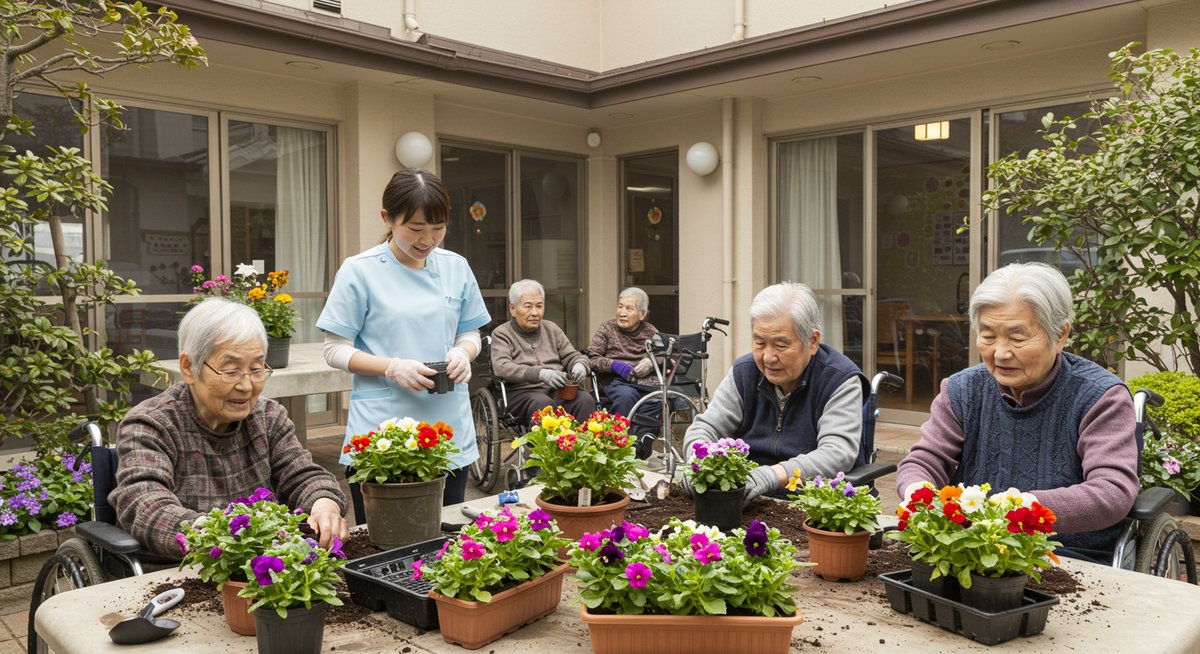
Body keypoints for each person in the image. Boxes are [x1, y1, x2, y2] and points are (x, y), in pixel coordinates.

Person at [895, 262, 1138, 562]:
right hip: (974, 548)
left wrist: (1025, 507)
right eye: (988, 336)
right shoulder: (962, 390)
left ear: (1060, 335)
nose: (1000, 353)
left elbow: (1112, 491)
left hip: (1067, 554)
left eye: (1017, 338)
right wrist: (918, 490)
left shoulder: (1100, 397)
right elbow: (925, 459)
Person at [110, 298, 349, 559]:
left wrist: (324, 504)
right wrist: (222, 536)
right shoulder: (151, 424)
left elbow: (303, 475)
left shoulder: (267, 416)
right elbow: (145, 505)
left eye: (256, 369)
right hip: (181, 567)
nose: (246, 385)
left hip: (265, 565)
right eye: (231, 370)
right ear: (189, 368)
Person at [318, 168, 490, 522]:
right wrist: (392, 367)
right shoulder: (360, 271)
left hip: (447, 429)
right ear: (387, 218)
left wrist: (463, 352)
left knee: (446, 539)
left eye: (438, 228)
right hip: (383, 435)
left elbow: (470, 332)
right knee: (384, 544)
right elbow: (334, 348)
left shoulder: (456, 267)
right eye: (415, 228)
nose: (428, 239)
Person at [683, 282, 868, 506]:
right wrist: (697, 461)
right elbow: (707, 427)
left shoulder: (839, 379)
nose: (768, 357)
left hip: (811, 500)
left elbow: (836, 453)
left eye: (781, 345)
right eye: (760, 343)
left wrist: (770, 476)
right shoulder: (745, 372)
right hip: (748, 496)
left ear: (812, 341)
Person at [490, 279, 595, 423]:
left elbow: (572, 355)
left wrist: (580, 365)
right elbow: (503, 367)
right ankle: (545, 446)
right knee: (542, 404)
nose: (535, 312)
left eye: (539, 306)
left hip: (557, 390)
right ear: (513, 309)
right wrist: (540, 373)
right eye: (528, 306)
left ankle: (583, 444)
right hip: (521, 393)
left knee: (584, 400)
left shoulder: (551, 329)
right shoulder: (502, 333)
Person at [587, 287, 669, 458]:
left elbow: (666, 355)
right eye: (620, 307)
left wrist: (652, 363)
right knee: (626, 396)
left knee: (659, 399)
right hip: (615, 382)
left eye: (629, 309)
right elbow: (591, 358)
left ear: (642, 314)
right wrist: (614, 365)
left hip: (646, 383)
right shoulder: (607, 329)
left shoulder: (650, 331)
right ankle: (619, 443)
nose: (622, 313)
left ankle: (642, 442)